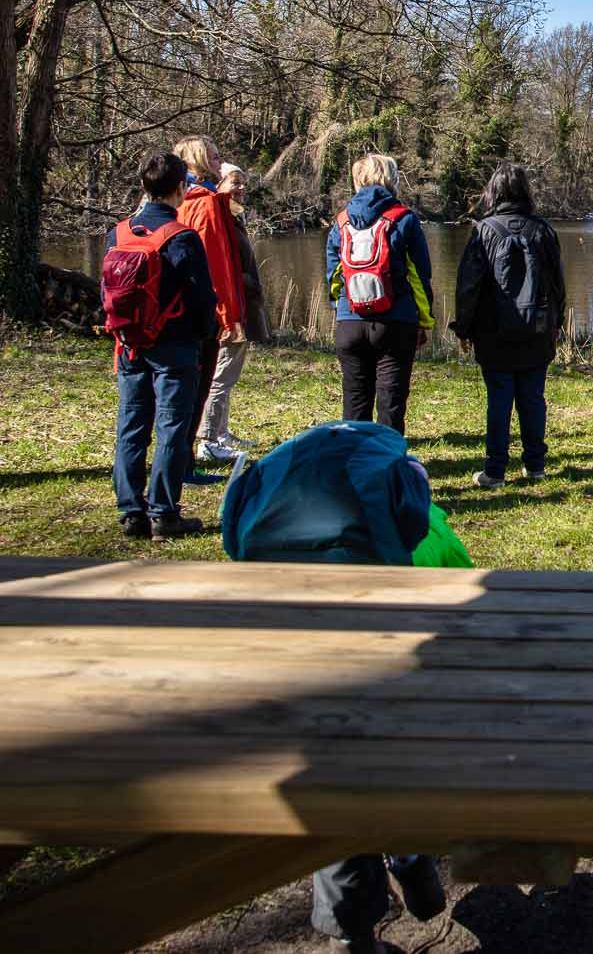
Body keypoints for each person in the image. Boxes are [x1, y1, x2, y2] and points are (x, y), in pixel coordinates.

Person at [219, 421, 460, 952]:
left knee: (333, 779)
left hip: (301, 682)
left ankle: (350, 934)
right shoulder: (420, 535)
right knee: (392, 763)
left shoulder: (267, 522)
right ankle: (412, 860)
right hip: (398, 684)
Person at [109, 150, 217, 541]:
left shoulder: (118, 233)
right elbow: (203, 299)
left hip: (131, 344)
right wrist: (206, 335)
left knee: (131, 425)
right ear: (181, 188)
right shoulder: (182, 237)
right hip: (175, 345)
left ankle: (130, 512)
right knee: (172, 428)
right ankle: (163, 512)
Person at [452, 163, 566, 488]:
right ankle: (536, 467)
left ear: (493, 192)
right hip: (538, 329)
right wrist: (557, 322)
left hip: (493, 332)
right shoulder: (543, 231)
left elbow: (468, 286)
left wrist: (464, 328)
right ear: (526, 191)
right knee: (533, 397)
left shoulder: (484, 230)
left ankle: (495, 471)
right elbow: (558, 284)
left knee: (499, 399)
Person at [326, 153, 433, 434]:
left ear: (357, 179)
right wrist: (424, 320)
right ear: (391, 179)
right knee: (391, 404)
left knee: (355, 401)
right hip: (396, 322)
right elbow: (420, 278)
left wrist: (340, 312)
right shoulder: (404, 219)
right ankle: (387, 465)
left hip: (350, 322)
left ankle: (353, 466)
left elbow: (334, 278)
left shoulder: (341, 222)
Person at [195, 161, 266, 455]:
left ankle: (220, 431)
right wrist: (244, 281)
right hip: (229, 305)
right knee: (221, 373)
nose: (241, 189)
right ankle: (209, 439)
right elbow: (219, 265)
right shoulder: (217, 217)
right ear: (219, 184)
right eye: (234, 182)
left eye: (243, 183)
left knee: (230, 371)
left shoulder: (232, 216)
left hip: (241, 302)